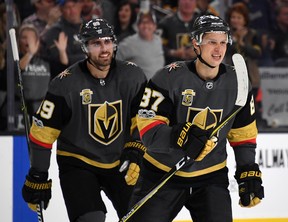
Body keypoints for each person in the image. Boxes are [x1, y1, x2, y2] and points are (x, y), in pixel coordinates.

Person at [127, 15, 264, 222]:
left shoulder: (238, 83)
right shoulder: (167, 77)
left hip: (211, 177)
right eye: (211, 42)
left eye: (222, 42)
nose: (218, 50)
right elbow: (148, 131)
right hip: (162, 174)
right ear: (196, 43)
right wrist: (179, 136)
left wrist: (247, 169)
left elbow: (243, 135)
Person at [21, 18, 147, 222]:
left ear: (114, 43)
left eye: (107, 42)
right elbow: (42, 133)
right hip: (78, 162)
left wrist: (136, 147)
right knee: (92, 219)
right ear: (85, 47)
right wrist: (38, 175)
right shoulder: (65, 84)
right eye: (96, 43)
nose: (104, 49)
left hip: (119, 159)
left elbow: (144, 118)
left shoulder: (133, 76)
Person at [225, 2, 263, 124]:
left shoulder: (253, 34)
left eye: (238, 17)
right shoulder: (225, 34)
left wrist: (242, 43)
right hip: (230, 74)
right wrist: (235, 40)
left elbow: (257, 53)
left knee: (251, 104)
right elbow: (225, 51)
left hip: (250, 75)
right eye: (233, 17)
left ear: (245, 19)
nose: (235, 20)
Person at [40, 0, 85, 79]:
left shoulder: (90, 27)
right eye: (67, 7)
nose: (72, 10)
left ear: (80, 5)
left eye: (74, 6)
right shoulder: (55, 32)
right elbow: (59, 61)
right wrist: (87, 57)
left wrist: (69, 58)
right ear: (61, 10)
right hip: (66, 81)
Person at [116, 10, 165, 80]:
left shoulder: (158, 40)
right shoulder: (129, 43)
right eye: (142, 22)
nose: (145, 26)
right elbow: (112, 61)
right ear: (137, 26)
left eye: (149, 22)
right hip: (138, 89)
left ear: (155, 26)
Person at [17, 24, 51, 119]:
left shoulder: (46, 60)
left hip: (43, 109)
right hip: (21, 109)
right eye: (24, 37)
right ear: (19, 41)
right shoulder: (15, 59)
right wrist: (30, 54)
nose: (28, 41)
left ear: (37, 41)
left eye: (31, 37)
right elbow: (17, 70)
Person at [158, 0, 199, 65]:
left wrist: (199, 52)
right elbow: (157, 46)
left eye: (191, 0)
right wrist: (173, 52)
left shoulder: (202, 24)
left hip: (197, 70)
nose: (187, 3)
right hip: (173, 69)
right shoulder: (166, 23)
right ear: (178, 1)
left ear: (196, 2)